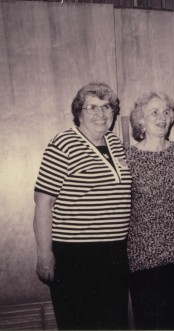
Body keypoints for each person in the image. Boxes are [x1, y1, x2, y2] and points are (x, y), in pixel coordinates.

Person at [33, 82, 132, 330]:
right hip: (75, 257)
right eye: (92, 107)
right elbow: (43, 203)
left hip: (114, 255)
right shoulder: (63, 143)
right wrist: (45, 255)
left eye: (106, 107)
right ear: (79, 111)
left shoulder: (115, 143)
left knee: (113, 323)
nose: (101, 114)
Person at [126, 91, 174, 330]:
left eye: (166, 112)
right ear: (140, 121)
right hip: (146, 257)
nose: (162, 117)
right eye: (154, 113)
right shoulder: (127, 157)